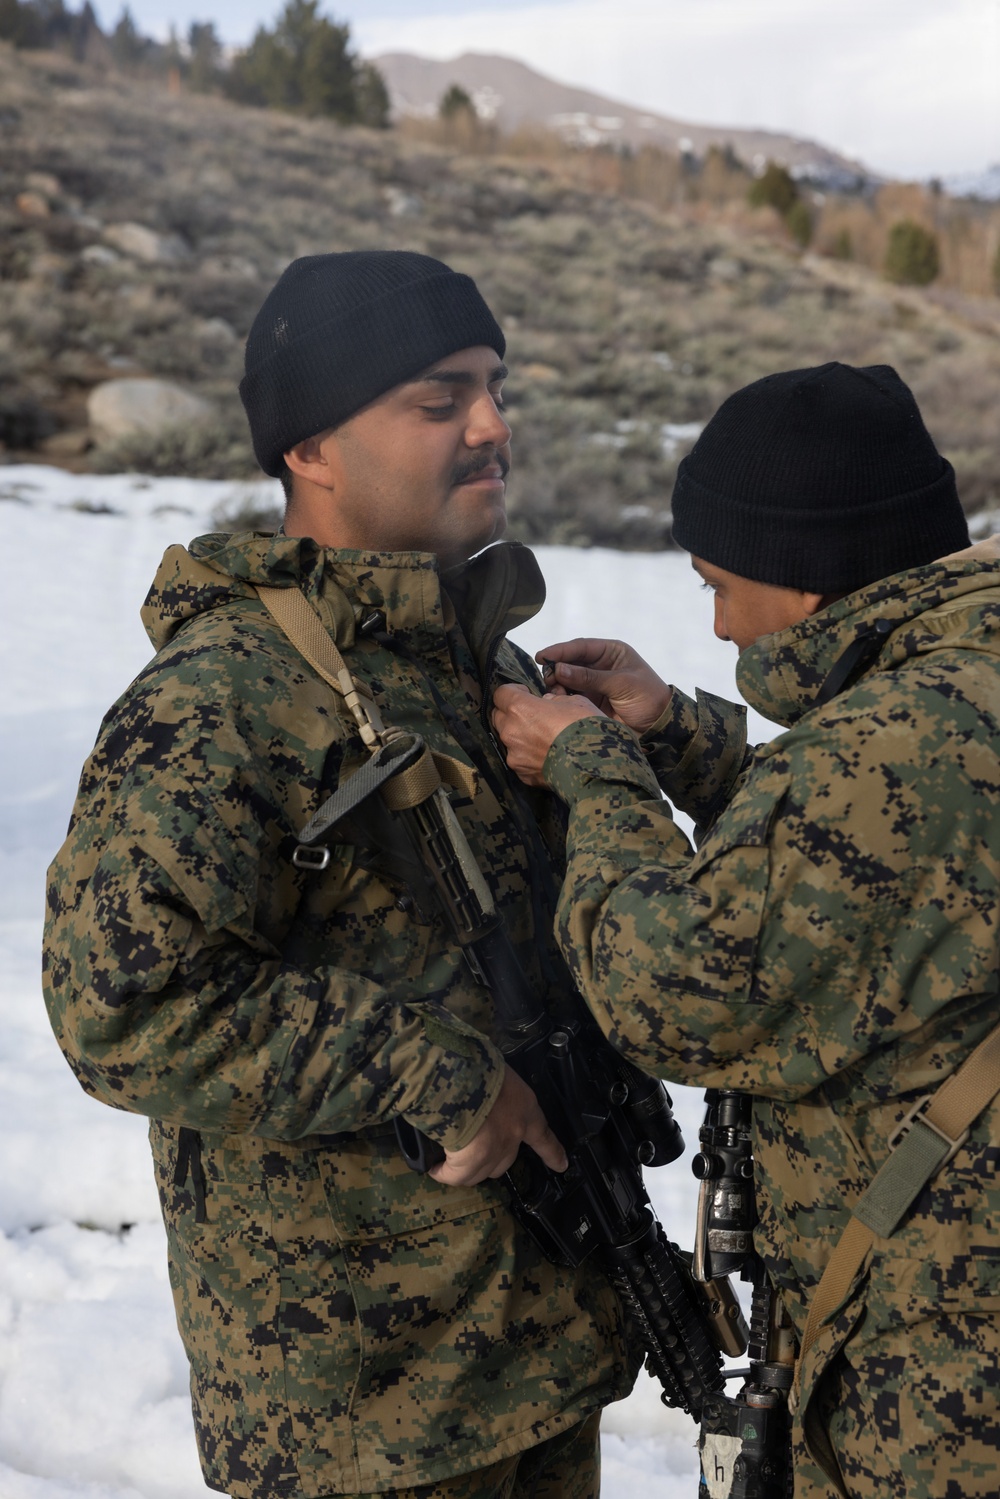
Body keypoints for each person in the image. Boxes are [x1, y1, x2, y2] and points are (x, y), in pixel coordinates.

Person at [42, 251, 636, 1499]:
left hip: (533, 1358)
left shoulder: (477, 660)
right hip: (364, 1412)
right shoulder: (221, 696)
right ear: (311, 446)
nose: (492, 425)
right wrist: (438, 1072)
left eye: (492, 386)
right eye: (439, 399)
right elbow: (122, 1004)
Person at [492, 362, 1000, 1499]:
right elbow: (889, 860)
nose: (717, 620)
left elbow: (677, 988)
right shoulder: (964, 678)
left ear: (811, 579)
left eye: (722, 583)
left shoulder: (891, 740)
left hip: (939, 1380)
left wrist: (596, 775)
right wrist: (681, 734)